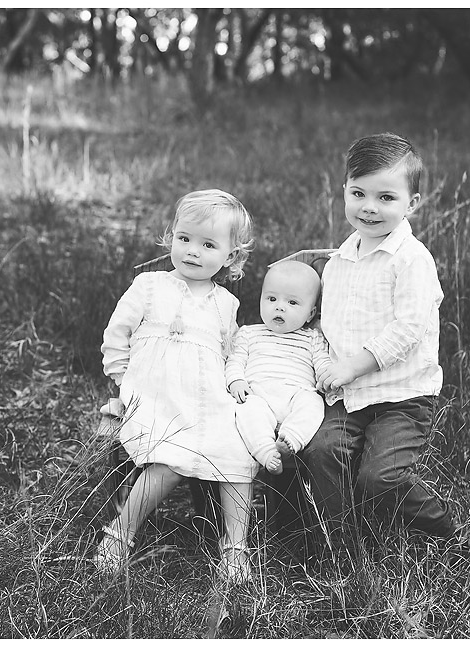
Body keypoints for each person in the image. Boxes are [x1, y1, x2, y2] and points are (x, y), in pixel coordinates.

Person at [301, 132, 457, 551]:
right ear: (344, 191)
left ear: (412, 203)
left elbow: (408, 330)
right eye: (358, 194)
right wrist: (325, 366)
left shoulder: (411, 260)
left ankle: (444, 531)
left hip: (402, 396)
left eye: (386, 197)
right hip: (349, 395)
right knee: (322, 452)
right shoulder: (338, 262)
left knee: (379, 476)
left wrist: (352, 366)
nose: (369, 207)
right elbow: (326, 327)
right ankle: (340, 545)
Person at [96, 188, 258, 582]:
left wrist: (235, 383)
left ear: (230, 256)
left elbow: (228, 352)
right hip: (157, 397)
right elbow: (116, 334)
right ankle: (119, 533)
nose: (192, 251)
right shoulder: (150, 286)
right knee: (171, 457)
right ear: (171, 237)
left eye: (208, 245)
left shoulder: (226, 303)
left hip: (208, 399)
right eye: (184, 238)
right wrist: (122, 381)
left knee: (237, 455)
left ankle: (235, 546)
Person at [225, 261, 333, 475]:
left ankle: (290, 439)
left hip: (297, 394)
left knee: (313, 404)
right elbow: (235, 360)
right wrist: (236, 380)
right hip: (258, 393)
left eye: (292, 302)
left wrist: (328, 377)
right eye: (271, 299)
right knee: (247, 410)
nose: (279, 307)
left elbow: (323, 363)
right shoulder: (249, 333)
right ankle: (266, 452)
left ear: (310, 314)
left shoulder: (313, 338)